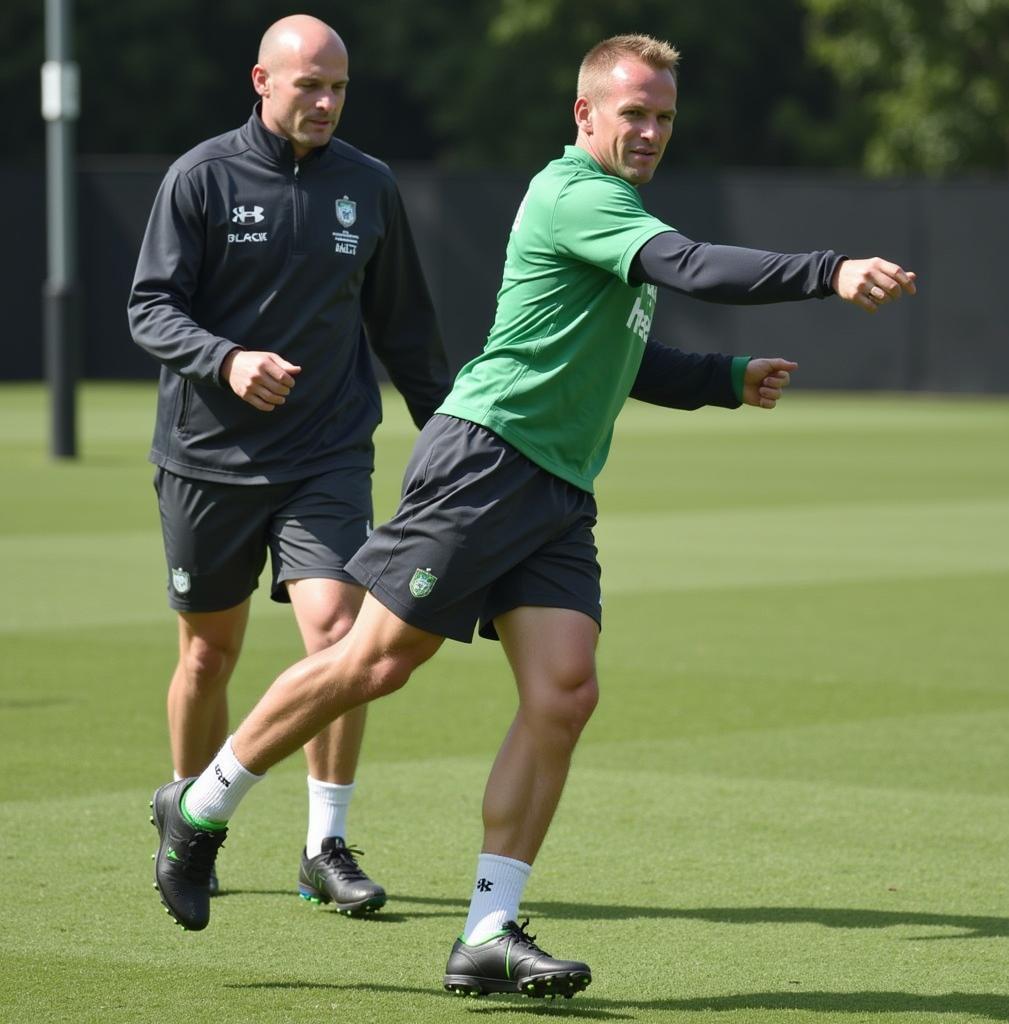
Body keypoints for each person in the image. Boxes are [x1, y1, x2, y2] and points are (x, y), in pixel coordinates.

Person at [147, 34, 916, 998]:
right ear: (585, 116)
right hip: (486, 461)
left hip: (554, 489)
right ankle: (202, 804)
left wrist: (724, 379)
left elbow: (623, 356)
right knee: (375, 660)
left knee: (565, 691)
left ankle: (489, 930)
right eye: (632, 113)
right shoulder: (576, 195)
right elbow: (690, 267)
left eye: (664, 117)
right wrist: (828, 269)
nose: (649, 131)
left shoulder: (619, 212)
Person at [129, 15, 449, 914]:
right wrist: (227, 359)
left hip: (327, 455)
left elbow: (409, 336)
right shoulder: (200, 176)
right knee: (208, 653)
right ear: (261, 81)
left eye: (338, 87)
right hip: (207, 460)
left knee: (340, 636)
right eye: (308, 84)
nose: (325, 102)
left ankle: (325, 844)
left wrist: (460, 441)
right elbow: (150, 308)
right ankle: (192, 824)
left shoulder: (369, 186)